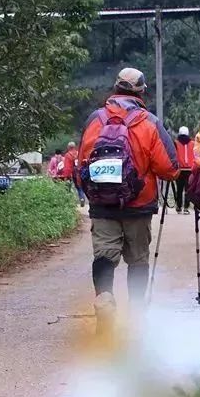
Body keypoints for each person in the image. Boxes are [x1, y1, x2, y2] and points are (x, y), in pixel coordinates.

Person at [77, 67, 178, 333]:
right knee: (137, 260)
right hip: (138, 205)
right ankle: (135, 316)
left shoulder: (94, 120)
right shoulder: (149, 122)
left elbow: (80, 164)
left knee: (104, 256)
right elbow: (169, 168)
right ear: (141, 91)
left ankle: (105, 303)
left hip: (102, 204)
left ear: (115, 89)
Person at [174, 126, 194, 215]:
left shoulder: (176, 143)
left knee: (179, 189)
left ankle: (178, 206)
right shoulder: (193, 143)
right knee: (188, 189)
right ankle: (186, 207)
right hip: (190, 170)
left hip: (179, 169)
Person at [61, 141, 87, 207]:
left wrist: (66, 176)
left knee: (69, 187)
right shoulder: (78, 153)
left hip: (73, 173)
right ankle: (82, 198)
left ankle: (69, 201)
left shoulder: (68, 155)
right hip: (80, 172)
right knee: (80, 186)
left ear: (68, 147)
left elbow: (67, 167)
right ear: (74, 147)